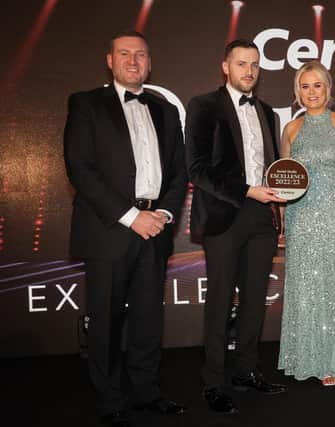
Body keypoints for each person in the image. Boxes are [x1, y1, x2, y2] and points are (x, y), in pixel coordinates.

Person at [63, 30, 188, 426]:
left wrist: (164, 215)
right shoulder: (86, 104)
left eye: (141, 55)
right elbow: (80, 169)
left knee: (149, 318)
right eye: (125, 54)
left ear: (150, 64)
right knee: (107, 319)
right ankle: (109, 398)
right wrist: (133, 217)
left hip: (156, 227)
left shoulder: (166, 109)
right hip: (110, 229)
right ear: (110, 60)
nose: (133, 61)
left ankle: (147, 392)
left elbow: (178, 170)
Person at [185, 39, 287, 415]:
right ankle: (213, 383)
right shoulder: (203, 106)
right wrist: (247, 190)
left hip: (262, 217)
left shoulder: (267, 111)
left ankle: (246, 371)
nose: (249, 71)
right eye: (242, 63)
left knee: (255, 300)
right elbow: (196, 167)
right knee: (220, 300)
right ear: (225, 66)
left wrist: (274, 203)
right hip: (224, 215)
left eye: (255, 65)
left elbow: (272, 168)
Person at [277, 61, 335, 386]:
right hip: (301, 215)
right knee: (304, 285)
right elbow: (286, 176)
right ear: (297, 91)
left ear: (328, 89)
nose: (311, 92)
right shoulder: (291, 129)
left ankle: (333, 358)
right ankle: (306, 355)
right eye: (305, 86)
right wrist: (285, 218)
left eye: (317, 85)